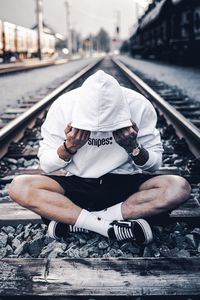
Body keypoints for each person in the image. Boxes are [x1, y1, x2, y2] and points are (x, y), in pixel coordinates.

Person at [8, 70, 191, 245]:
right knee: (19, 186)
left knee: (179, 187)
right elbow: (46, 165)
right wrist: (69, 147)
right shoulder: (63, 106)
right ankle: (106, 226)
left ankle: (76, 221)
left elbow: (154, 165)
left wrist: (133, 148)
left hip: (126, 185)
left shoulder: (138, 104)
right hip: (77, 184)